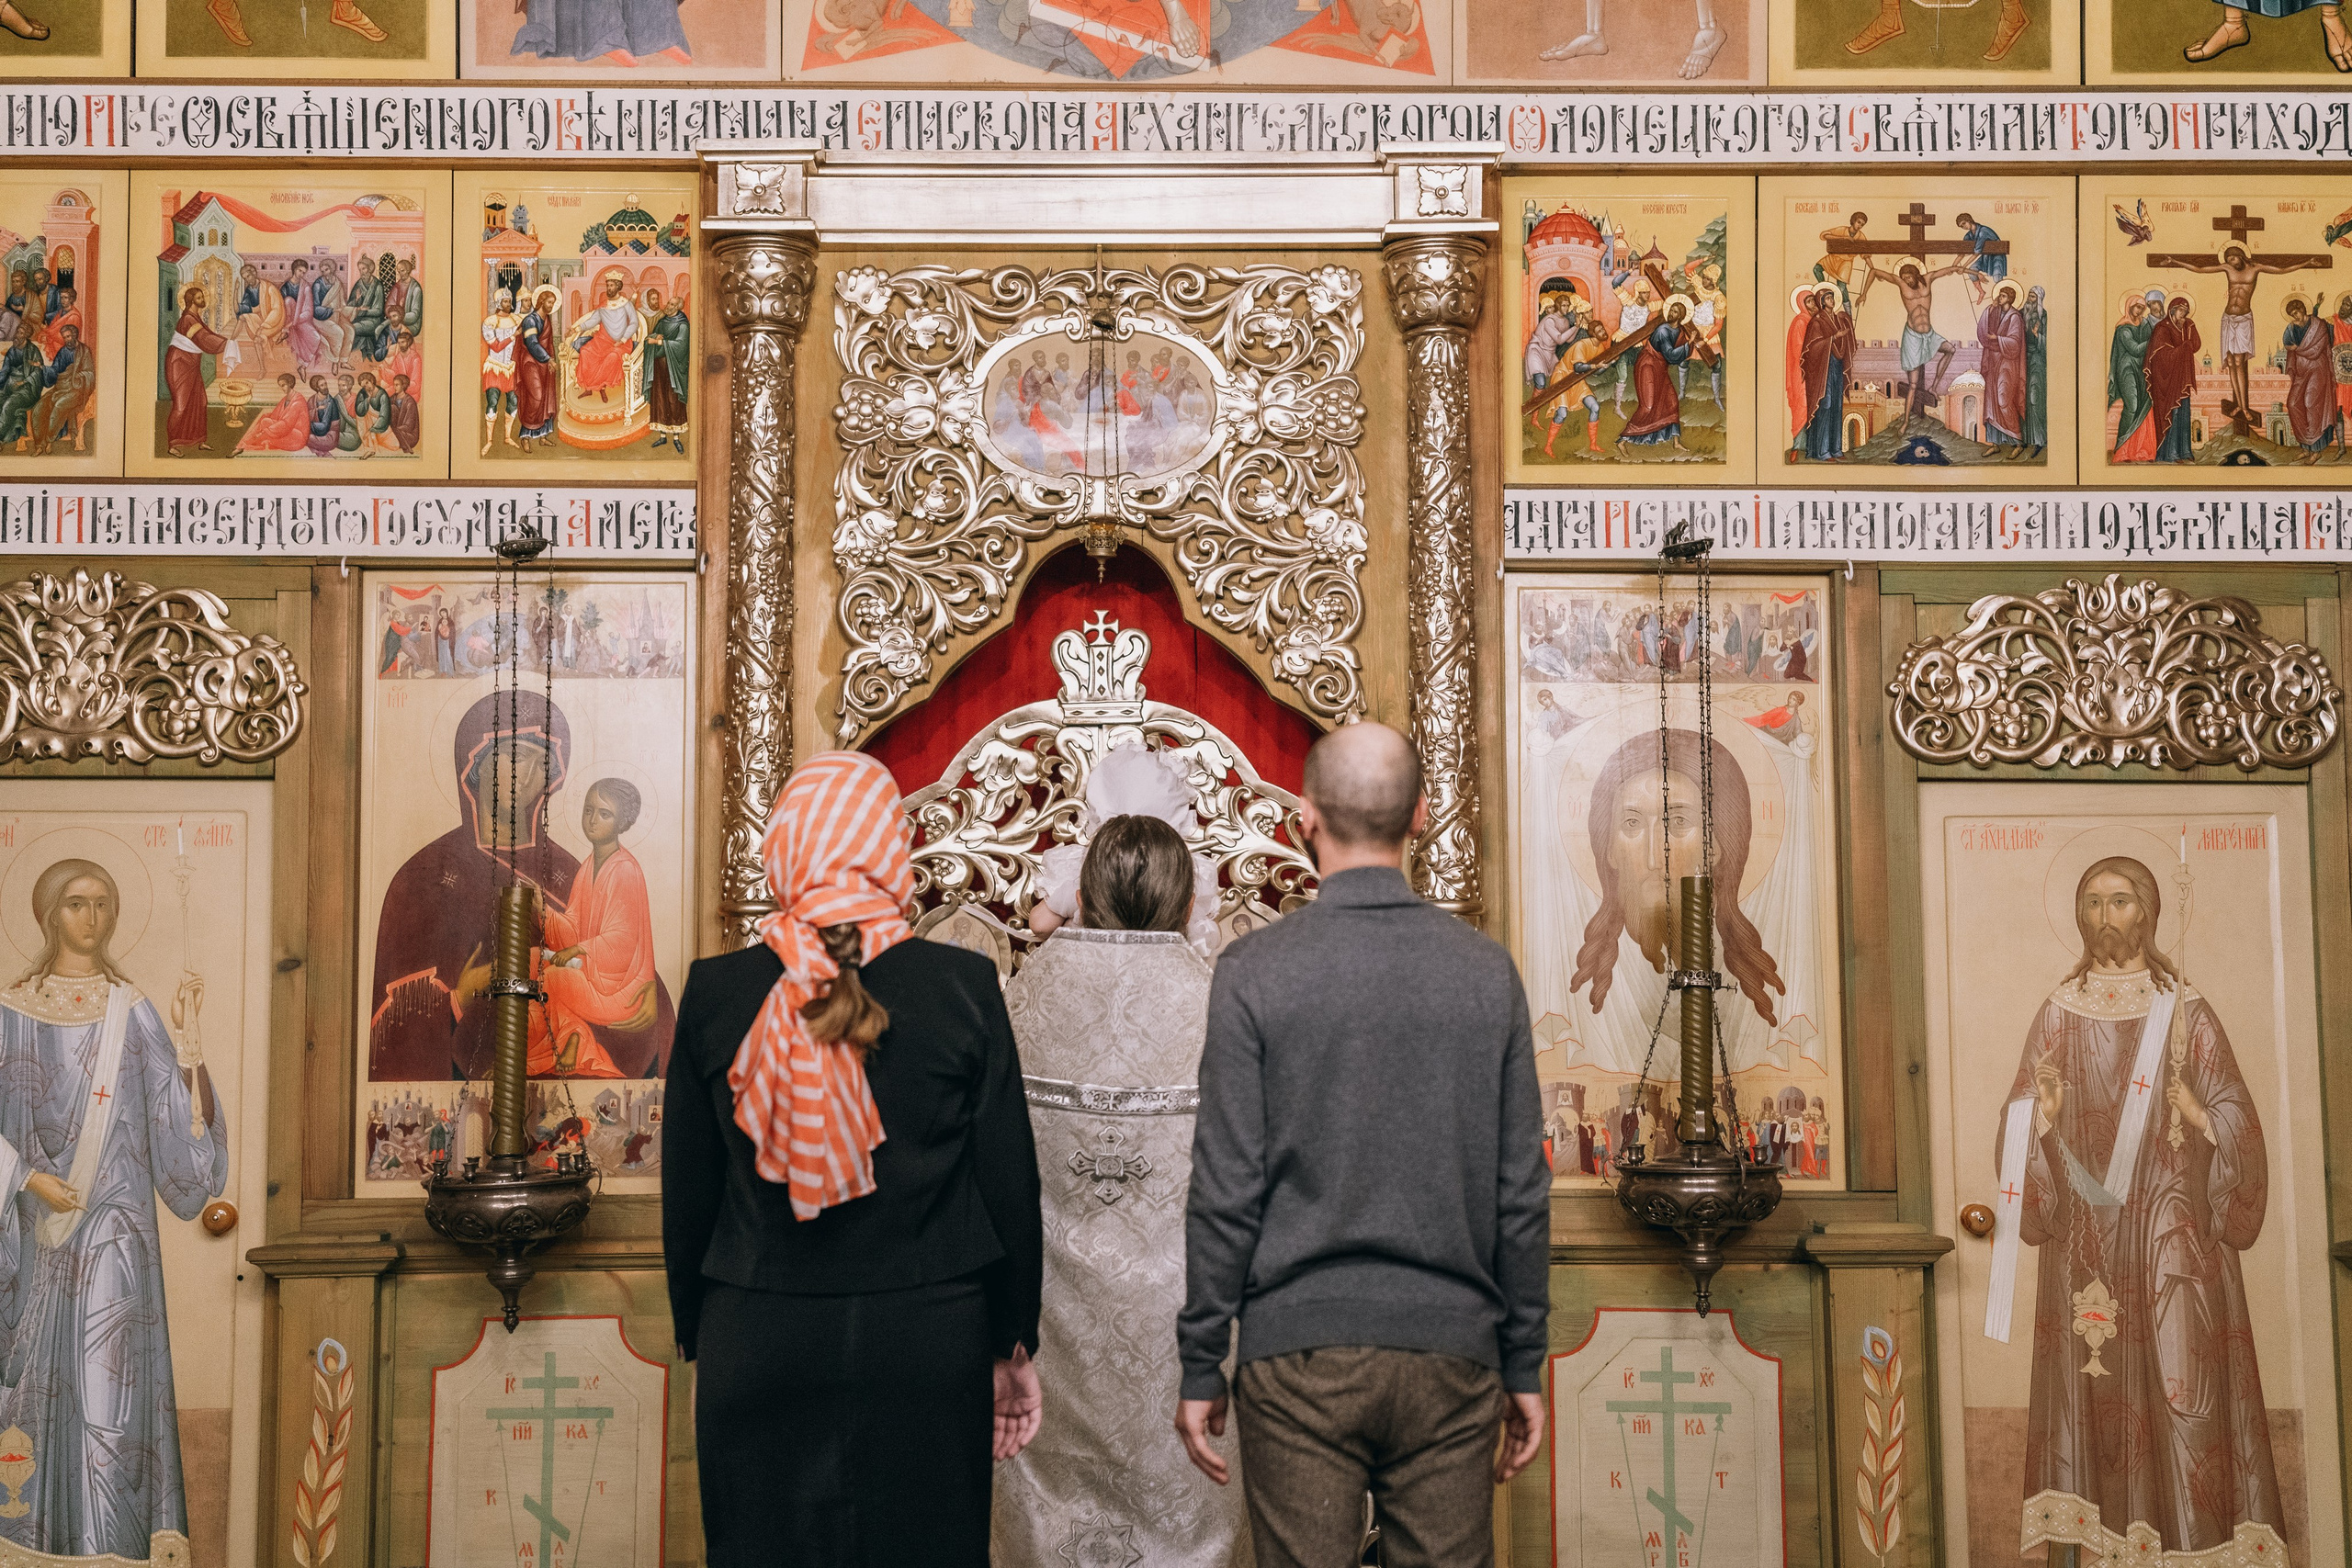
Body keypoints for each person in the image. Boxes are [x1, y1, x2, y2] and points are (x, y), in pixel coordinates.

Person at [1177, 722, 1549, 1568]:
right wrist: (1522, 1359)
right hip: (1452, 1351)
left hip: (1297, 1349)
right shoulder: (1486, 972)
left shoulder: (1254, 972)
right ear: (1420, 816)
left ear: (1303, 818)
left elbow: (1226, 1186)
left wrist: (1204, 1360)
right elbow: (1519, 1192)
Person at [663, 752, 1043, 1565]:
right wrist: (1011, 1343)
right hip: (929, 1337)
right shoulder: (963, 983)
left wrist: (702, 1340)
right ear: (889, 845)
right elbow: (1008, 1180)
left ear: (784, 845)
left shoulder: (715, 990)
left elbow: (688, 1194)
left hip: (758, 1332)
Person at [2000, 857, 2285, 1559]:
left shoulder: (2186, 1010)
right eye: (2093, 902)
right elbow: (2018, 1115)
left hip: (2171, 1229)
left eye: (2120, 901)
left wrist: (2202, 1115)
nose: (2105, 916)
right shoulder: (2058, 1011)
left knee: (2187, 1390)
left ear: (2148, 914)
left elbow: (2238, 1119)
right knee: (2091, 1395)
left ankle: (2192, 1547)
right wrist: (2044, 1117)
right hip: (2086, 1234)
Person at [995, 815, 1250, 1566]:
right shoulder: (1222, 1001)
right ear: (1183, 899)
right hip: (1186, 1319)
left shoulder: (1018, 997)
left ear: (1084, 890)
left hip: (1047, 1312)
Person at [0, 859, 227, 1562]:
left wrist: (188, 1041)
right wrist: (30, 1179)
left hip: (117, 1243)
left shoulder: (132, 1012)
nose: (90, 918)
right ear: (49, 916)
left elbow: (180, 1143)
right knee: (37, 1402)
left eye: (102, 903)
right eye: (75, 903)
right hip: (38, 1241)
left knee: (110, 1403)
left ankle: (113, 1549)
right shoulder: (8, 1013)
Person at [1028, 743, 1218, 956]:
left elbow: (1040, 925)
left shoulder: (1078, 877)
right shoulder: (1184, 876)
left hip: (1090, 972)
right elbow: (1203, 937)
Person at [536, 779, 661, 1079]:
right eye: (588, 810)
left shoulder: (625, 870)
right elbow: (572, 929)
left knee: (550, 977)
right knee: (532, 960)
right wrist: (542, 909)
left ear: (622, 823)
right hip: (593, 974)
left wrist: (579, 949)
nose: (593, 820)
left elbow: (621, 943)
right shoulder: (588, 866)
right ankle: (574, 1035)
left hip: (619, 988)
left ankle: (578, 1043)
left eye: (604, 814)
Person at [164, 286, 229, 456]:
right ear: (191, 301)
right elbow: (204, 339)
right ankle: (172, 444)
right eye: (199, 298)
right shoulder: (187, 320)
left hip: (191, 364)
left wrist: (225, 341)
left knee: (200, 402)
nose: (202, 300)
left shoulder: (196, 318)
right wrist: (226, 344)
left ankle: (199, 440)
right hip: (180, 363)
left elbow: (207, 334)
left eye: (202, 297)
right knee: (181, 405)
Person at [1975, 280, 2030, 456]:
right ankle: (1995, 443)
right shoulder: (1996, 313)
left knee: (2003, 400)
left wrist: (1997, 338)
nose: (2000, 298)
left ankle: (2017, 442)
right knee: (1991, 403)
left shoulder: (2015, 317)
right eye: (2000, 295)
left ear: (2011, 299)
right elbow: (1984, 328)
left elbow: (2014, 343)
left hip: (2008, 364)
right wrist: (1990, 309)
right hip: (1993, 362)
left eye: (2003, 295)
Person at [2281, 296, 2338, 463]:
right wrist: (2296, 349)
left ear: (2302, 309)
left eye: (2296, 312)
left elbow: (2317, 349)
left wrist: (2298, 349)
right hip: (2301, 370)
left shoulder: (2318, 325)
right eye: (2292, 314)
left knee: (2311, 403)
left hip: (2318, 369)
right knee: (2292, 403)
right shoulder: (2291, 328)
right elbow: (2287, 344)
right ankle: (2305, 446)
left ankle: (2317, 449)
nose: (2295, 316)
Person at [2109, 291, 2163, 462]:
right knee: (2132, 406)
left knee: (2145, 407)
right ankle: (2122, 449)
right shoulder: (2123, 328)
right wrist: (2155, 339)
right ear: (2129, 307)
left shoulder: (2145, 324)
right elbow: (2135, 349)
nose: (2139, 311)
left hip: (2143, 370)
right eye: (2137, 307)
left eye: (2142, 308)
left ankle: (2141, 450)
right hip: (2126, 370)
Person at [2147, 297, 2202, 463]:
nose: (2183, 314)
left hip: (2181, 378)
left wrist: (2190, 328)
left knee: (2184, 413)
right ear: (2172, 311)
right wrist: (2182, 349)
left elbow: (2196, 345)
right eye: (2181, 311)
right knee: (2173, 414)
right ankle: (2169, 454)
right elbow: (2159, 355)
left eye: (2186, 312)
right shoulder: (2161, 328)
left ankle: (2184, 451)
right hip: (2166, 381)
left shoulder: (2186, 326)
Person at [642, 288, 690, 450]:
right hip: (659, 368)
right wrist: (654, 338)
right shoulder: (662, 322)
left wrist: (661, 343)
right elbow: (650, 337)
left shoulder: (683, 324)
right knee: (660, 400)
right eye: (669, 303)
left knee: (673, 400)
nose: (668, 306)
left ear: (678, 308)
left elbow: (681, 346)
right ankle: (662, 436)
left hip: (674, 369)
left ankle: (676, 438)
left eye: (672, 304)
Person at [237, 373, 312, 455]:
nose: (281, 388)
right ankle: (243, 444)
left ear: (290, 383)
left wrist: (265, 431)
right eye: (280, 386)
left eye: (283, 385)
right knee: (264, 419)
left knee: (262, 436)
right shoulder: (285, 399)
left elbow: (287, 424)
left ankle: (244, 445)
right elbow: (275, 416)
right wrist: (265, 421)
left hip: (297, 437)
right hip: (285, 430)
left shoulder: (298, 401)